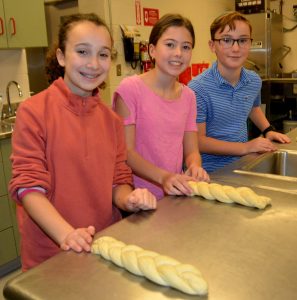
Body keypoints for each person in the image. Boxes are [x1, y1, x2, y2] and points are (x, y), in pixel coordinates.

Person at [9, 13, 157, 271]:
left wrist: (128, 199)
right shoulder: (34, 111)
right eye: (82, 52)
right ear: (61, 56)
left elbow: (117, 181)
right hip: (51, 253)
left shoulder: (111, 120)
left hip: (104, 244)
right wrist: (67, 234)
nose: (93, 64)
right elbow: (28, 188)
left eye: (103, 54)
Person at [113, 14, 209, 200]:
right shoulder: (130, 89)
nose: (178, 53)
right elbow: (127, 152)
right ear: (152, 50)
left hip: (175, 194)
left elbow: (191, 150)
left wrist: (194, 166)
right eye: (170, 44)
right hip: (137, 198)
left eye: (186, 47)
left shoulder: (188, 96)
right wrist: (164, 177)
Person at [188, 11, 291, 173]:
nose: (235, 48)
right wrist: (245, 147)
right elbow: (198, 141)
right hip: (209, 173)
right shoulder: (198, 88)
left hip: (242, 164)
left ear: (250, 44)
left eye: (243, 40)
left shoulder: (253, 80)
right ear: (212, 45)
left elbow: (252, 107)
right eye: (226, 40)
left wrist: (268, 130)